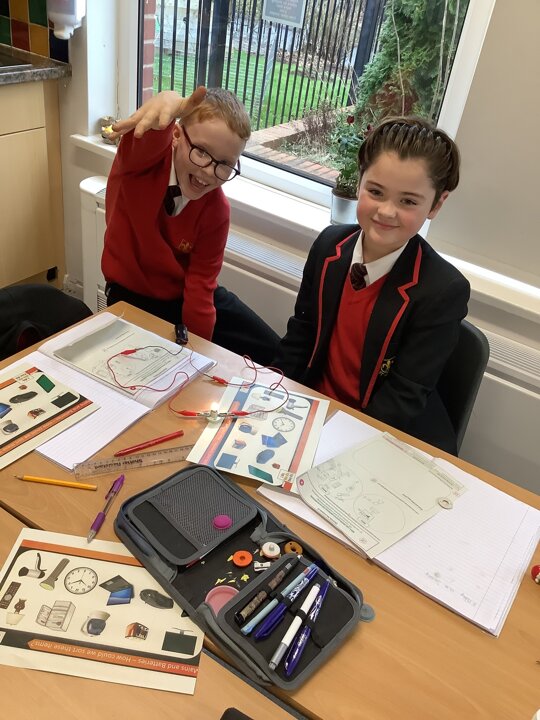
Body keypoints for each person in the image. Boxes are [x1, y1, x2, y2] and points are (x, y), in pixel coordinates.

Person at [272, 117, 470, 455]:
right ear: (359, 181)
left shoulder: (443, 289)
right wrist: (270, 398)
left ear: (436, 204)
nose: (387, 211)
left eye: (408, 201)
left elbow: (402, 398)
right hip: (315, 410)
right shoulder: (329, 246)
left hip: (381, 436)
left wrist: (331, 445)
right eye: (375, 192)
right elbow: (300, 337)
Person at [102, 87, 279, 366]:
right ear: (175, 135)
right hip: (130, 295)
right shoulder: (142, 163)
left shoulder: (217, 210)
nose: (208, 171)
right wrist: (168, 99)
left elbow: (200, 292)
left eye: (225, 165)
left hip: (183, 294)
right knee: (148, 369)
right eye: (201, 152)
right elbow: (150, 132)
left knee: (274, 351)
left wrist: (197, 358)